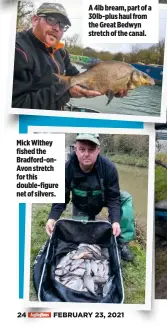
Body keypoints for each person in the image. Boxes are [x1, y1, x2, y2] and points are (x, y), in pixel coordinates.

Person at [12, 2, 127, 110]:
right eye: (51, 20)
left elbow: (79, 79)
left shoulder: (61, 53)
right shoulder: (15, 49)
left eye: (62, 26)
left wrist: (109, 86)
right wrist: (66, 92)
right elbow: (15, 105)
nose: (57, 28)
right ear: (35, 20)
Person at [46, 133, 134, 262]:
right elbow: (61, 197)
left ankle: (121, 242)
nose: (86, 154)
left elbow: (113, 198)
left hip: (102, 198)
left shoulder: (109, 168)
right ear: (75, 149)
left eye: (91, 150)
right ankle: (90, 222)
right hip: (81, 205)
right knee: (82, 239)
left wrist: (115, 220)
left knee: (125, 197)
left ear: (98, 150)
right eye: (82, 149)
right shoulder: (66, 168)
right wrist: (52, 218)